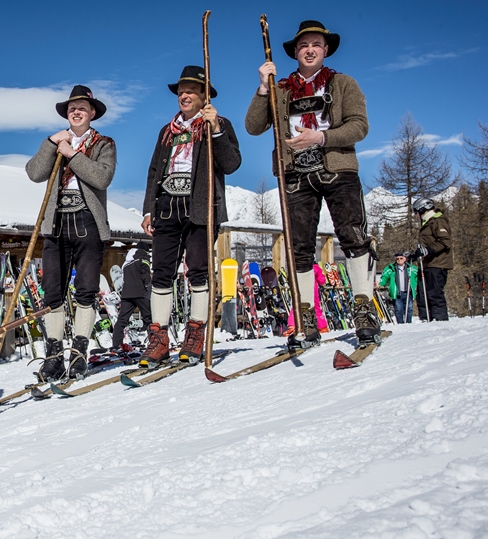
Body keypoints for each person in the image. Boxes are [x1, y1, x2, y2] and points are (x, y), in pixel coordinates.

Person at [246, 20, 380, 347]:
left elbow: (359, 127)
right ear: (295, 51)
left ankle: (363, 308)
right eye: (303, 45)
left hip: (337, 167)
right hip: (295, 174)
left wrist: (321, 137)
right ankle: (305, 316)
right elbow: (253, 126)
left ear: (326, 49)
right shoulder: (280, 89)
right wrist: (263, 87)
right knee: (299, 246)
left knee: (351, 234)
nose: (309, 50)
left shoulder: (343, 84)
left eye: (316, 44)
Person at [141, 66, 241, 367]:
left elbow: (231, 163)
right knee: (160, 272)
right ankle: (159, 340)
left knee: (197, 270)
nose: (184, 95)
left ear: (204, 95)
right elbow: (154, 172)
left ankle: (196, 333)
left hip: (201, 206)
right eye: (181, 91)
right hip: (167, 205)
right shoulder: (166, 131)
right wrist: (148, 207)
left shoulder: (218, 124)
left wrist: (216, 130)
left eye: (191, 90)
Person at [25, 85, 116, 380]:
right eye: (71, 108)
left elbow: (101, 177)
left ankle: (79, 352)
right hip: (57, 222)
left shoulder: (104, 144)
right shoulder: (56, 142)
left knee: (86, 291)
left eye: (82, 108)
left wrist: (72, 155)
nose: (76, 112)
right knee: (53, 291)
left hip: (88, 221)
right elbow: (35, 173)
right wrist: (52, 143)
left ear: (92, 113)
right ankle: (53, 355)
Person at [412, 197, 452, 321]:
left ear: (423, 209)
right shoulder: (427, 223)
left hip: (437, 264)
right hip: (427, 264)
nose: (416, 216)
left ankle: (440, 322)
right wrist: (414, 254)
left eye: (417, 212)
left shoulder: (437, 221)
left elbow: (445, 242)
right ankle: (425, 320)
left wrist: (429, 250)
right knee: (422, 295)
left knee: (434, 294)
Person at [111, 244, 151, 352]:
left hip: (127, 294)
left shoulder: (126, 262)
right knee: (149, 319)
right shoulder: (143, 258)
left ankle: (116, 345)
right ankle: (154, 343)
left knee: (122, 320)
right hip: (140, 293)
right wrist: (148, 286)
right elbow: (145, 273)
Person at [380, 252, 418, 323]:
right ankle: (400, 323)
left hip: (408, 292)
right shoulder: (391, 268)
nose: (399, 260)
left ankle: (408, 323)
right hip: (397, 293)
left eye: (401, 258)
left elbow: (417, 278)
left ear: (405, 259)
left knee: (409, 309)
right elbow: (384, 277)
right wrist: (380, 284)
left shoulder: (412, 268)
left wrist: (416, 286)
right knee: (398, 309)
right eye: (397, 258)